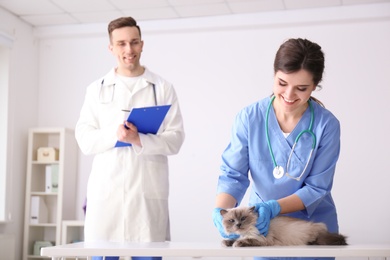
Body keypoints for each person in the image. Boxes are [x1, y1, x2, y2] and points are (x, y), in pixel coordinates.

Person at [212, 38, 341, 260]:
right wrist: (220, 211)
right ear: (274, 74)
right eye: (282, 83)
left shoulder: (326, 125)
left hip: (310, 229)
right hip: (261, 228)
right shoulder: (249, 118)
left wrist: (273, 207)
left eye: (301, 88)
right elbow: (232, 175)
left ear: (315, 85)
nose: (289, 95)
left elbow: (317, 188)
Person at [75, 16, 185, 260]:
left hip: (147, 197)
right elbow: (84, 138)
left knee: (149, 254)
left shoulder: (162, 87)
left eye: (134, 42)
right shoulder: (96, 89)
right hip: (107, 197)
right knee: (103, 254)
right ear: (111, 48)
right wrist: (115, 134)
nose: (129, 50)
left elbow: (176, 139)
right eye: (121, 43)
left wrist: (138, 140)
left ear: (142, 44)